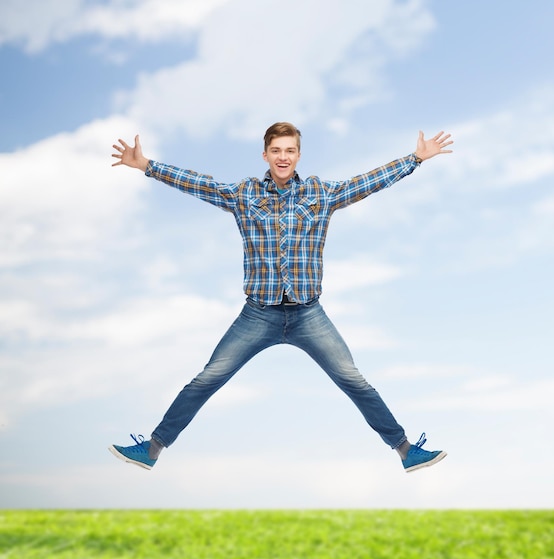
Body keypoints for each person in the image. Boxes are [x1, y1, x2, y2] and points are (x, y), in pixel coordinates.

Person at [109, 122, 453, 473]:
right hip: (258, 315)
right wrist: (148, 166)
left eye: (289, 150)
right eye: (276, 151)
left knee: (354, 381)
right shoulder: (244, 194)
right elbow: (199, 183)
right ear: (266, 155)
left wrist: (415, 160)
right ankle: (151, 449)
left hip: (308, 314)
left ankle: (406, 451)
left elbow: (366, 182)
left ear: (298, 156)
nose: (283, 157)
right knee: (208, 378)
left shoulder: (321, 193)